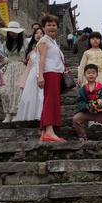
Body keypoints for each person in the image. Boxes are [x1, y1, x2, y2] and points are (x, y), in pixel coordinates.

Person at [37, 14, 66, 142]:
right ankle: (49, 131)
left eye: (54, 25)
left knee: (51, 101)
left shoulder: (52, 41)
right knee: (51, 101)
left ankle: (45, 132)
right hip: (50, 73)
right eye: (48, 25)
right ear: (43, 27)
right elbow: (41, 59)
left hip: (56, 73)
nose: (52, 27)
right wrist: (40, 76)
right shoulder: (44, 41)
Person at [0, 21, 27, 123]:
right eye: (11, 31)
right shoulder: (4, 44)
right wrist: (3, 60)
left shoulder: (25, 43)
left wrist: (26, 60)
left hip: (20, 68)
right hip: (8, 68)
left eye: (15, 32)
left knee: (17, 91)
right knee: (4, 90)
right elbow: (0, 56)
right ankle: (7, 113)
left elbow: (29, 55)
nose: (13, 33)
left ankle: (16, 113)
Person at [15, 27, 45, 121]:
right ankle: (31, 115)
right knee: (29, 95)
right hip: (32, 73)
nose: (38, 35)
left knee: (41, 94)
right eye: (36, 33)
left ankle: (41, 114)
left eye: (41, 33)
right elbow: (29, 65)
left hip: (42, 72)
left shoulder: (46, 47)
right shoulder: (31, 49)